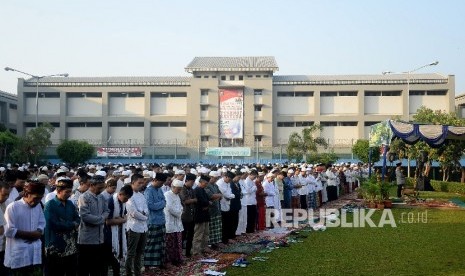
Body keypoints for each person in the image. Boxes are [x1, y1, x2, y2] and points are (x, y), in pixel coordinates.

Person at [4, 180, 46, 275]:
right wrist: (31, 235)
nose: (38, 201)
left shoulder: (38, 206)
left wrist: (39, 231)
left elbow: (42, 223)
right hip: (18, 255)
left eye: (40, 198)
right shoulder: (13, 207)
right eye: (36, 198)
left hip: (34, 253)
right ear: (26, 194)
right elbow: (8, 230)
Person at [44, 178, 80, 276]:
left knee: (71, 271)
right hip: (55, 245)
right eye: (67, 192)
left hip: (70, 246)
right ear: (59, 191)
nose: (69, 194)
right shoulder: (50, 205)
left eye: (70, 192)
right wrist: (71, 224)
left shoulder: (70, 204)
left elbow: (78, 219)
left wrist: (67, 223)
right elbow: (53, 224)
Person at [77, 175, 109, 276]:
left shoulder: (101, 197)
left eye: (102, 187)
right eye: (99, 187)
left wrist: (101, 218)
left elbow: (107, 211)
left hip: (99, 238)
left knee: (97, 269)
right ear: (92, 185)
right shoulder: (84, 197)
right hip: (87, 240)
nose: (101, 189)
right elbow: (85, 216)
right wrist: (101, 219)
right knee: (85, 269)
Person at [103, 184, 133, 276]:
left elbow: (124, 215)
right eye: (125, 198)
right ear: (120, 194)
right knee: (108, 259)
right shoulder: (111, 202)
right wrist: (122, 220)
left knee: (117, 260)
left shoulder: (122, 202)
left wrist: (119, 219)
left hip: (119, 234)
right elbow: (108, 221)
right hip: (109, 235)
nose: (126, 201)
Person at [125, 174, 149, 276]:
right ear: (132, 183)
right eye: (139, 183)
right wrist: (144, 215)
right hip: (133, 227)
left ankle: (137, 272)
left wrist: (144, 214)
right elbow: (134, 213)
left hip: (143, 228)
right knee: (131, 253)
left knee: (140, 253)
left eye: (142, 183)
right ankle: (128, 273)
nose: (141, 185)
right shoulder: (129, 195)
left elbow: (146, 210)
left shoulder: (141, 195)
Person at [144, 172, 167, 269]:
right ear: (155, 180)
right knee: (151, 243)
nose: (162, 185)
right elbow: (151, 206)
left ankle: (159, 263)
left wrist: (160, 204)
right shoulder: (148, 191)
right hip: (152, 220)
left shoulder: (160, 189)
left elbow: (164, 201)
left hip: (161, 219)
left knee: (161, 243)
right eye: (161, 183)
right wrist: (161, 204)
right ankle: (147, 264)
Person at [164, 179, 184, 266]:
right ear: (173, 187)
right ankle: (168, 261)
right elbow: (169, 208)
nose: (179, 191)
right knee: (170, 244)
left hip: (177, 222)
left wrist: (180, 211)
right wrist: (179, 213)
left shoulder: (177, 196)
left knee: (178, 243)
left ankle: (177, 260)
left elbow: (180, 206)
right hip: (170, 222)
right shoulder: (167, 195)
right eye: (178, 189)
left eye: (180, 189)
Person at [192, 175, 211, 256]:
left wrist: (208, 203)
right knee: (199, 234)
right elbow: (201, 201)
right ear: (200, 182)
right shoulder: (197, 190)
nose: (206, 185)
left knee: (205, 233)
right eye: (205, 183)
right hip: (199, 215)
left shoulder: (203, 190)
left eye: (207, 183)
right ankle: (196, 251)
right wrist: (208, 203)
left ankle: (203, 248)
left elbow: (208, 200)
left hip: (205, 214)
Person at [180, 173, 197, 257]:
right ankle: (180, 254)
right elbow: (185, 201)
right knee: (183, 236)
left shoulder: (192, 190)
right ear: (186, 181)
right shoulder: (182, 189)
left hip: (191, 216)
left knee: (191, 236)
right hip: (184, 216)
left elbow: (194, 199)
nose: (193, 183)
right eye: (192, 182)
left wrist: (192, 200)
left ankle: (188, 252)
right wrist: (193, 200)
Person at [0, 182, 11, 275]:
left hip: (6, 244)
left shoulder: (8, 203)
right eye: (4, 194)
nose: (6, 197)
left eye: (8, 194)